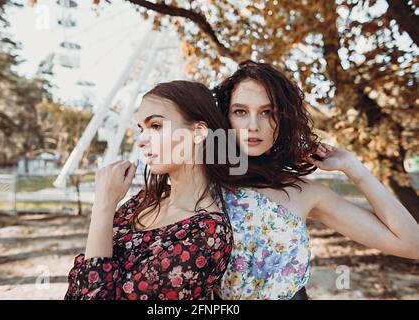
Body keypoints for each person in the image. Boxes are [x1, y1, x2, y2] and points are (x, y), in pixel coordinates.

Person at [212, 60, 419, 300]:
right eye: (241, 112)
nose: (253, 126)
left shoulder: (303, 192)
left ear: (284, 118)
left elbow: (411, 244)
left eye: (267, 112)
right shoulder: (202, 183)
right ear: (225, 118)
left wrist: (355, 169)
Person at [64, 80, 233, 300]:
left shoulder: (208, 233)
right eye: (141, 129)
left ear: (199, 133)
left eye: (155, 126)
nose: (142, 140)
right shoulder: (144, 201)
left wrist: (103, 208)